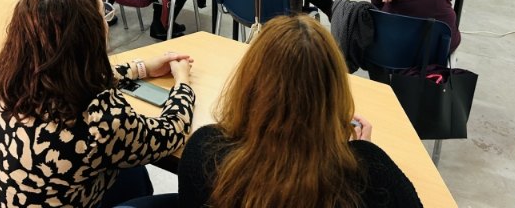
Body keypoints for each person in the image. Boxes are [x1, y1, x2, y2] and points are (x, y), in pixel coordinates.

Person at [0, 0, 195, 208]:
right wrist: (182, 82)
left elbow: (74, 76)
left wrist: (141, 68)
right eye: (103, 17)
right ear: (89, 38)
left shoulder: (5, 76)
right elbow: (171, 132)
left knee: (130, 173)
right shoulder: (100, 122)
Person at [178, 14, 422, 208]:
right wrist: (366, 151)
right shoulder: (370, 175)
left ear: (249, 85)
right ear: (334, 92)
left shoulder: (204, 149)